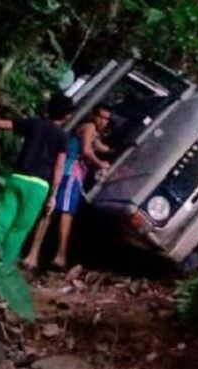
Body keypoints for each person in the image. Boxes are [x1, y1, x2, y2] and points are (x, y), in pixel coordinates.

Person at [0, 94, 73, 280]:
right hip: (38, 187)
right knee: (19, 230)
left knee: (0, 222)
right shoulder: (62, 137)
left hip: (17, 178)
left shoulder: (33, 124)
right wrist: (53, 195)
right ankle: (0, 275)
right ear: (67, 115)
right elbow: (59, 168)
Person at [51, 105, 113, 270]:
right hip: (70, 172)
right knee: (66, 213)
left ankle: (57, 254)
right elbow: (86, 151)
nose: (103, 121)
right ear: (93, 115)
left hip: (73, 174)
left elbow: (102, 148)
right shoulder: (89, 127)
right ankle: (60, 255)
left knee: (61, 211)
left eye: (107, 119)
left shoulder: (93, 131)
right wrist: (101, 164)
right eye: (101, 116)